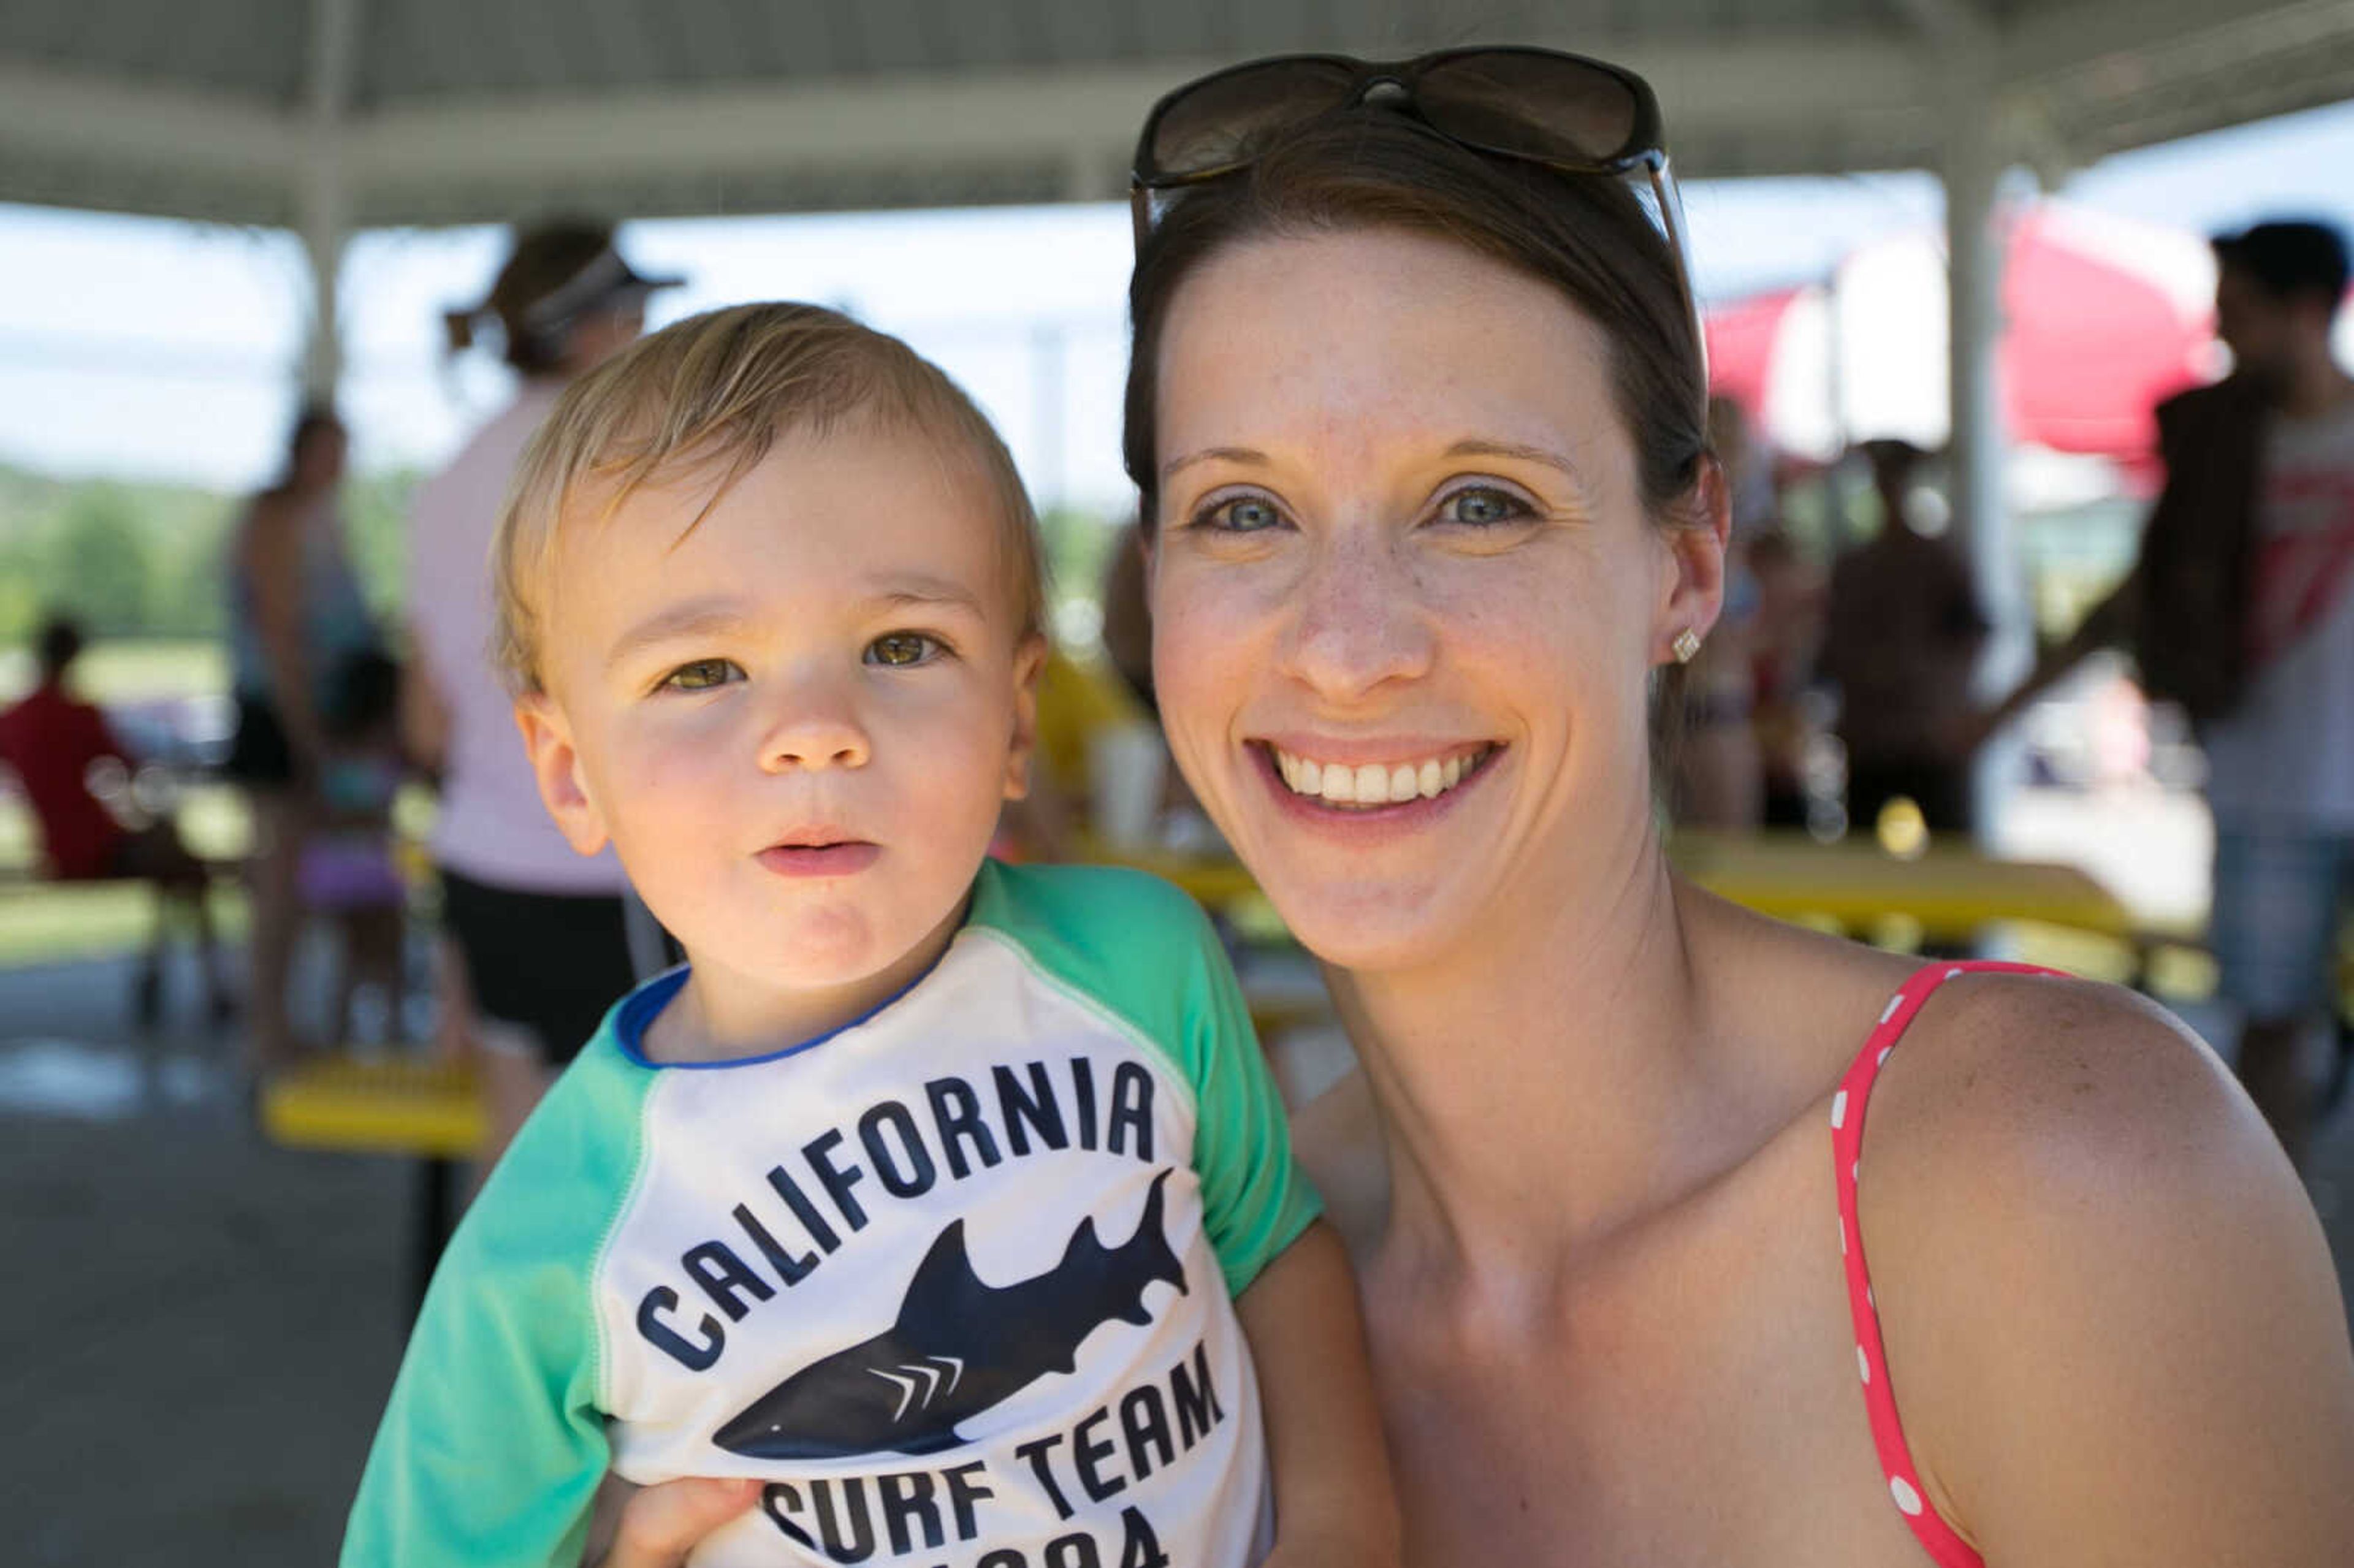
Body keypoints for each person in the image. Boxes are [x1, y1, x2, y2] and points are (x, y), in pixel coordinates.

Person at [1114, 50, 2348, 1567]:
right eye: (1242, 512)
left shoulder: (2057, 1182)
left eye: (1480, 501)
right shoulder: (1181, 1316)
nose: (1351, 645)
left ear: (1688, 564)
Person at [342, 303, 1399, 1568]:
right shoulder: (553, 1237)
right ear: (570, 773)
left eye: (903, 646)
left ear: (1015, 726)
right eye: (704, 670)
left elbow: (1271, 1242)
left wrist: (1345, 1523)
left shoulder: (1141, 964)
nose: (816, 731)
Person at [1987, 219, 2354, 1172]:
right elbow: (2136, 597)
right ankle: (2288, 1228)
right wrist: (2002, 708)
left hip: (2278, 776)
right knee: (2269, 1017)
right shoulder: (2215, 444)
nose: (2221, 330)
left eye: (2238, 310)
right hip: (2265, 781)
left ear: (2307, 309)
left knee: (2277, 1019)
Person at [405, 219, 679, 1171]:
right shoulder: (623, 460)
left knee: (517, 1166)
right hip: (614, 870)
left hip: (486, 866)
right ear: (588, 328)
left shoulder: (447, 478)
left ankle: (498, 1331)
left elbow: (424, 719)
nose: (649, 335)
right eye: (637, 312)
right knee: (658, 1165)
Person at [223, 406, 373, 1067]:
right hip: (282, 719)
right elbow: (281, 637)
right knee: (279, 886)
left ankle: (292, 1023)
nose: (339, 465)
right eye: (330, 450)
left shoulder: (322, 519)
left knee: (309, 883)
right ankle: (268, 1031)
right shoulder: (276, 521)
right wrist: (307, 738)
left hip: (316, 718)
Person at [0, 615, 230, 1026]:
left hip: (56, 844)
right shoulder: (77, 714)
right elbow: (129, 766)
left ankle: (160, 973)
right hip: (94, 845)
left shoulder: (15, 719)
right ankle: (206, 984)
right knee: (185, 866)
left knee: (175, 864)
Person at [1816, 438, 1989, 838]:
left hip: (1928, 741)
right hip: (1873, 740)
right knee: (1866, 865)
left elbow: (1974, 638)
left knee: (1952, 864)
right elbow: (1831, 645)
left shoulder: (1939, 560)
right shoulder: (1856, 566)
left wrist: (1944, 699)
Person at [299, 649, 410, 1045]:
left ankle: (369, 1035)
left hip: (366, 867)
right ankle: (352, 1036)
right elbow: (320, 813)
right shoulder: (340, 753)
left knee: (374, 958)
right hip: (353, 869)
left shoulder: (352, 751)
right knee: (365, 957)